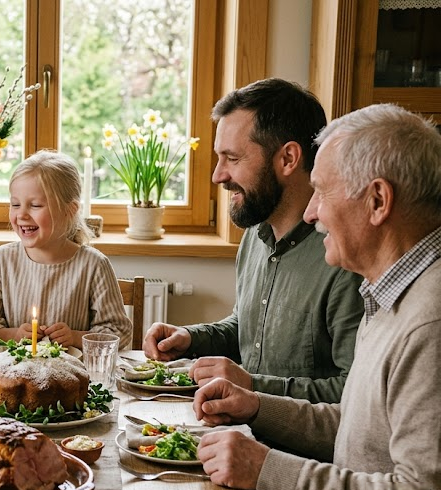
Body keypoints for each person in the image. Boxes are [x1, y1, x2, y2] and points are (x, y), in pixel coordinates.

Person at [194, 104, 441, 490]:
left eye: (322, 192)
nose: (310, 213)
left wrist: (266, 467)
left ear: (378, 201)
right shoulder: (386, 289)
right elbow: (356, 426)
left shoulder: (430, 320)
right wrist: (256, 406)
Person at [143, 78, 364, 404]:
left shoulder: (343, 256)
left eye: (232, 158)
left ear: (288, 159)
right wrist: (191, 338)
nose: (218, 176)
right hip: (238, 431)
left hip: (294, 452)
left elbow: (354, 397)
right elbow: (250, 330)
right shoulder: (255, 236)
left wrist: (251, 385)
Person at [0, 150, 132, 349]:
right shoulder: (1, 260)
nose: (21, 214)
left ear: (69, 210)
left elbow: (120, 333)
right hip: (14, 375)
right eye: (15, 204)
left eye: (35, 205)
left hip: (75, 377)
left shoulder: (93, 265)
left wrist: (75, 337)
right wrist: (15, 334)